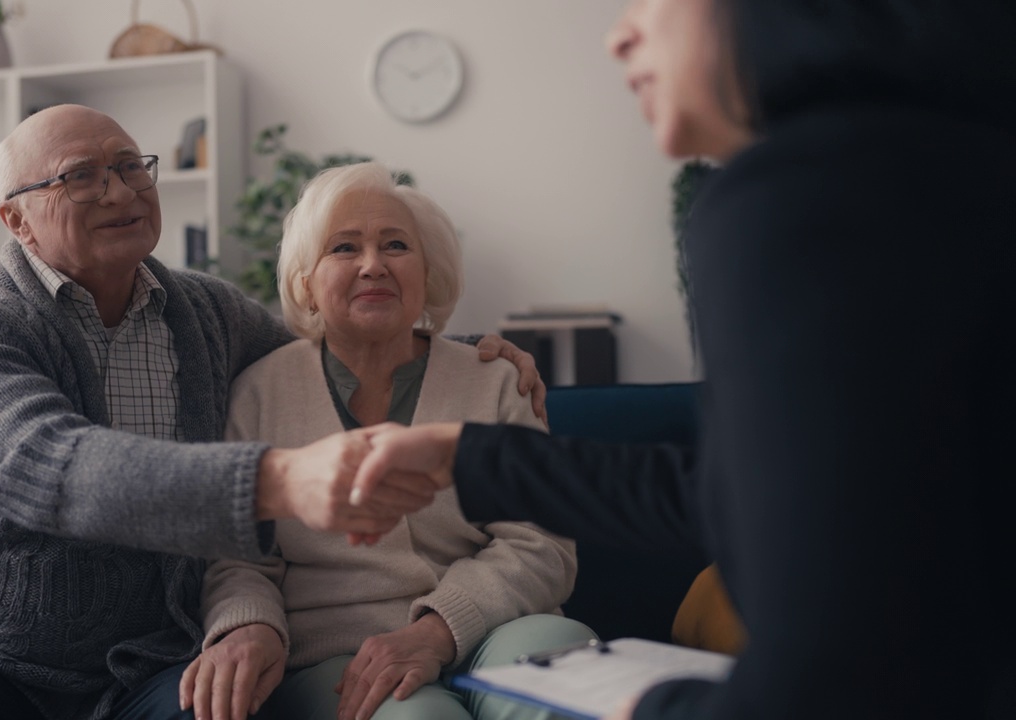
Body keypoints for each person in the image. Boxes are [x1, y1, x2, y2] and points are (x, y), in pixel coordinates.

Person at [351, 1, 1016, 719]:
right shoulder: (940, 164)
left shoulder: (795, 197)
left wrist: (654, 706)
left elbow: (843, 670)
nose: (618, 34)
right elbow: (757, 494)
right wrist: (466, 458)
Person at [0, 104, 544, 720]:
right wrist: (279, 480)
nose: (121, 190)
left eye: (132, 166)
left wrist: (459, 350)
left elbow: (338, 344)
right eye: (82, 176)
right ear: (16, 219)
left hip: (161, 658)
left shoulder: (207, 312)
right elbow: (42, 465)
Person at [179, 162, 593, 720]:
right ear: (306, 280)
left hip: (500, 626)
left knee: (566, 693)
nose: (373, 266)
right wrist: (250, 624)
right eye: (344, 249)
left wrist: (439, 629)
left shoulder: (495, 379)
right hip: (341, 653)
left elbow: (541, 541)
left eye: (395, 245)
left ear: (429, 272)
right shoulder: (258, 392)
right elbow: (238, 560)